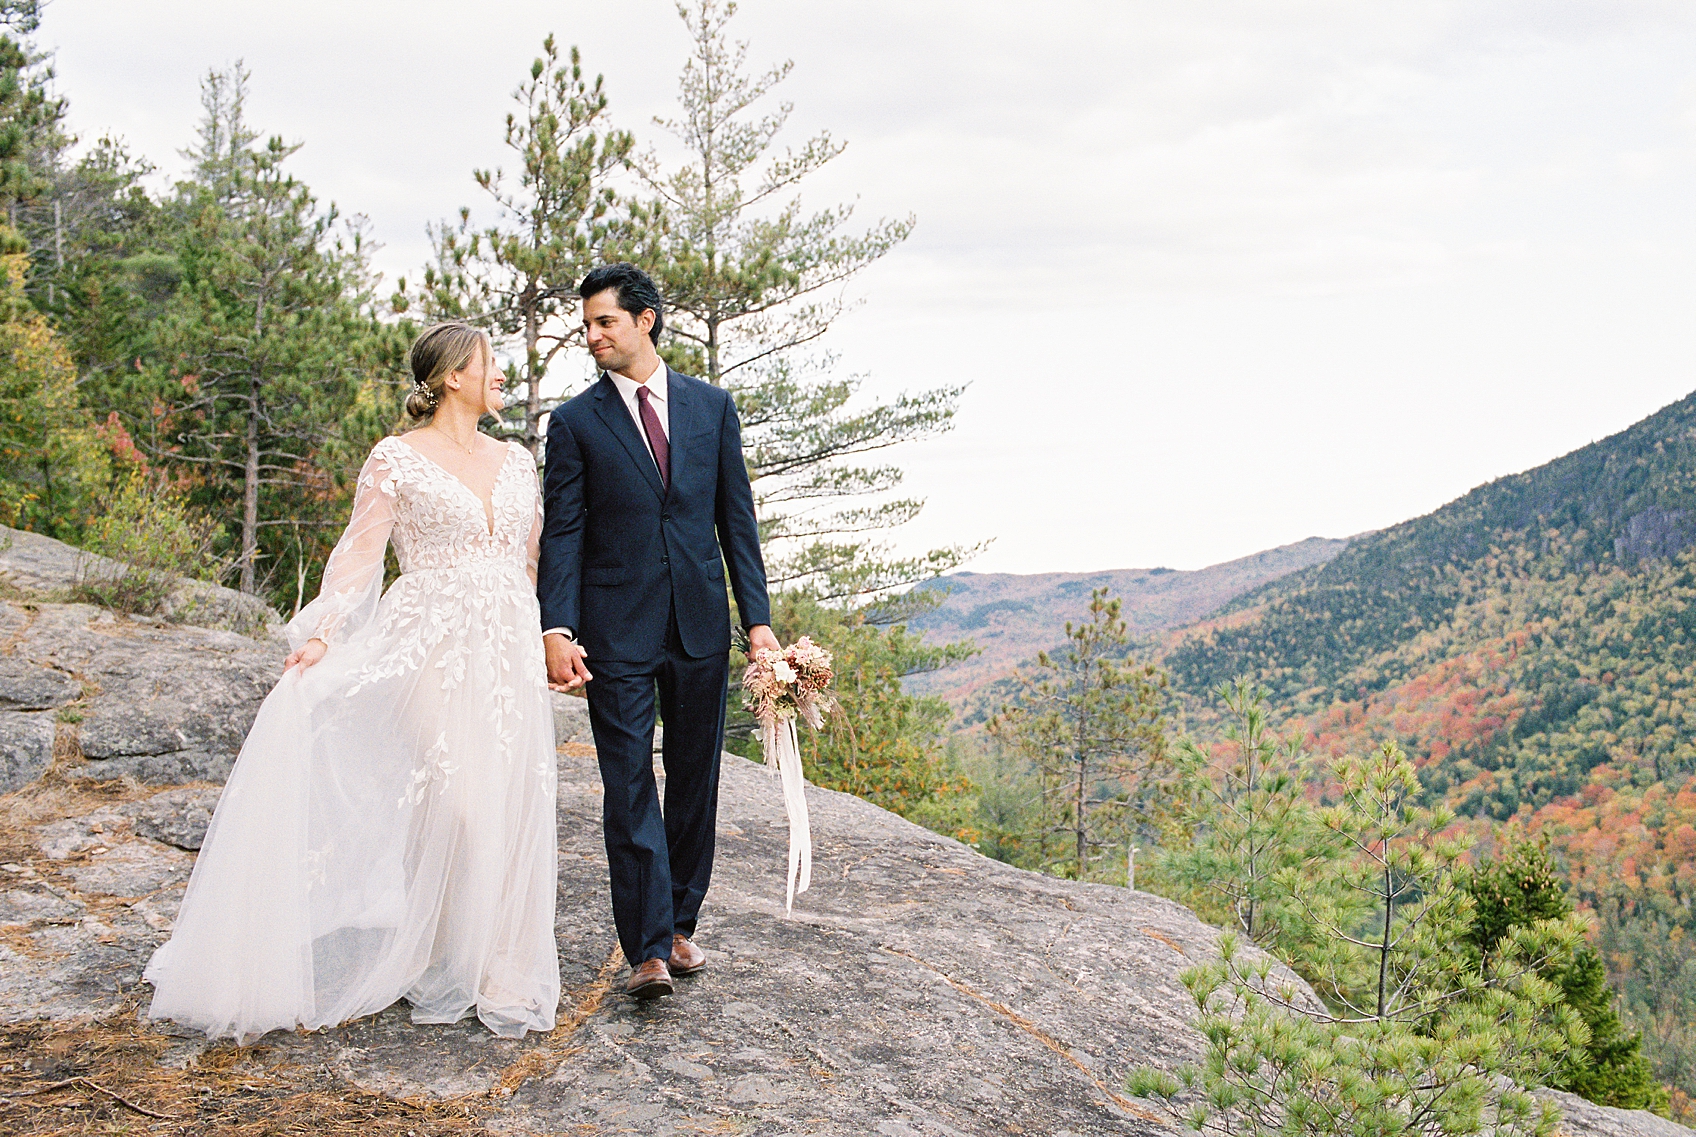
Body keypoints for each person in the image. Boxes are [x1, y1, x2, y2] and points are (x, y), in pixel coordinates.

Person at [144, 323, 560, 1043]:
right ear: (453, 375)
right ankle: (433, 949)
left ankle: (493, 960)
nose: (502, 374)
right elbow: (358, 559)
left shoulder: (518, 460)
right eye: (489, 362)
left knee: (508, 798)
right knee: (456, 799)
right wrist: (321, 635)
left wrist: (549, 635)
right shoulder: (395, 457)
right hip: (429, 641)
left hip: (507, 647)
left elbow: (529, 563)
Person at [538, 263, 775, 1000]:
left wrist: (758, 624)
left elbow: (736, 520)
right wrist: (557, 626)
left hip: (700, 623)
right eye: (586, 325)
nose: (592, 336)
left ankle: (678, 923)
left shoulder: (712, 407)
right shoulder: (574, 423)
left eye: (603, 321)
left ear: (645, 320)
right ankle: (643, 948)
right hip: (615, 632)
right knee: (629, 779)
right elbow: (565, 534)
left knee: (697, 778)